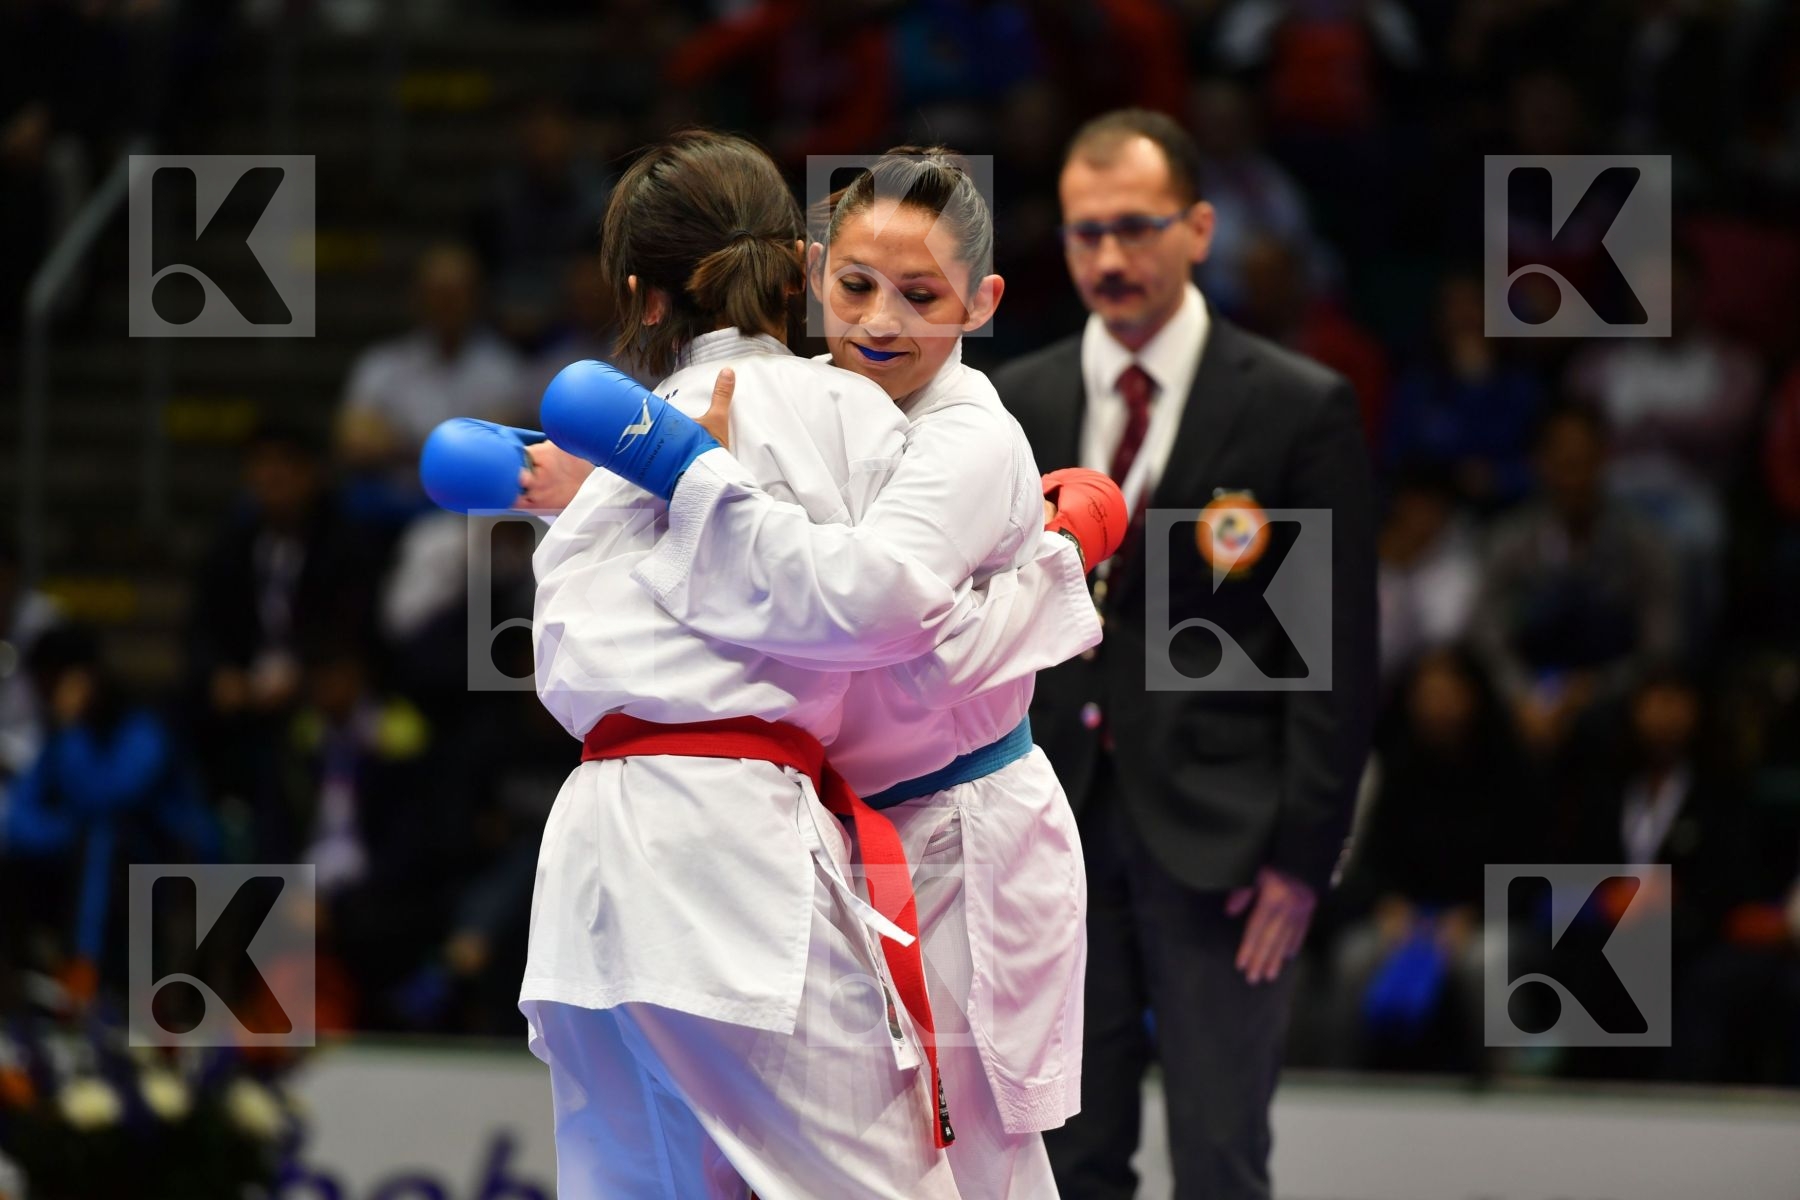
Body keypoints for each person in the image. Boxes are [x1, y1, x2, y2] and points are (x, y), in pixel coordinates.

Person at [493, 130, 1110, 1200]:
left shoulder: (961, 437)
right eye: (857, 284)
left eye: (921, 295)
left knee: (976, 1168)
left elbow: (891, 619)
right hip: (777, 831)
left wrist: (1060, 554)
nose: (880, 320)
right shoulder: (820, 406)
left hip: (953, 837)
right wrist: (600, 479)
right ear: (805, 268)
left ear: (981, 301)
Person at [989, 108, 1378, 1200]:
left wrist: (1304, 860)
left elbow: (1332, 657)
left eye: (1137, 228)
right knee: (1065, 1161)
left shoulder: (1296, 408)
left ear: (1200, 228)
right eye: (1084, 233)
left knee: (1217, 1155)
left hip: (1227, 843)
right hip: (1050, 831)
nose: (1109, 257)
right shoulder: (1018, 406)